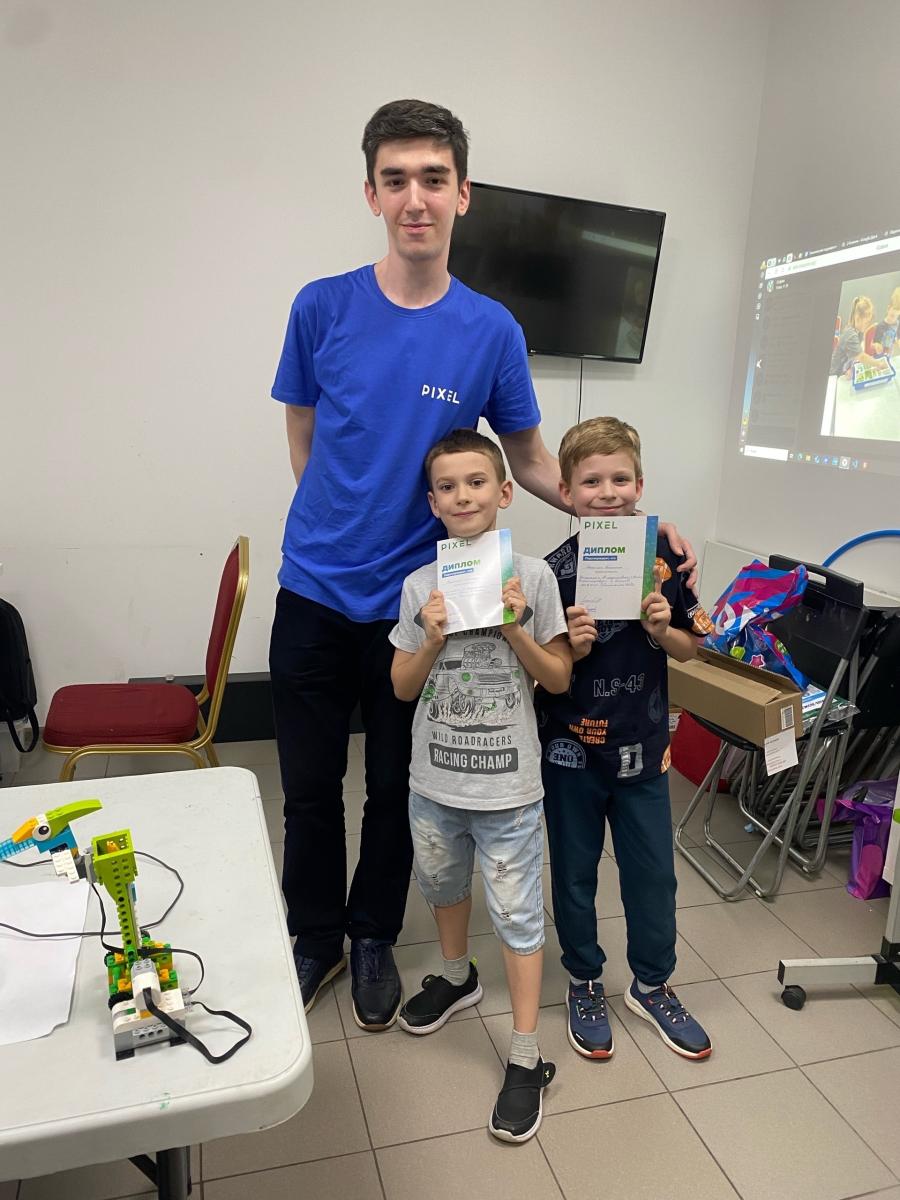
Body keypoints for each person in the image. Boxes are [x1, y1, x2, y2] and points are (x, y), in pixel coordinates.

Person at [269, 98, 697, 1031]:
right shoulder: (321, 307)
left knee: (394, 789)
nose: (414, 198)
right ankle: (315, 939)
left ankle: (373, 935)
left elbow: (532, 458)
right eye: (395, 180)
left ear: (462, 194)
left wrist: (628, 520)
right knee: (307, 791)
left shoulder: (490, 329)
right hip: (313, 595)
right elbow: (304, 436)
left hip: (420, 605)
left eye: (433, 178)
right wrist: (339, 524)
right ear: (372, 193)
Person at [389, 428, 571, 1142]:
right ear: (432, 503)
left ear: (504, 493)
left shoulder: (536, 577)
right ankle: (458, 974)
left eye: (475, 483)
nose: (462, 496)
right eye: (447, 487)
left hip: (509, 790)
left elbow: (558, 677)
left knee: (519, 916)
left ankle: (525, 1056)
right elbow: (402, 688)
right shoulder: (420, 586)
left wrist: (517, 627)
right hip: (434, 781)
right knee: (442, 885)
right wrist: (431, 636)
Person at [536, 417, 714, 1062]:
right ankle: (584, 978)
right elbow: (542, 671)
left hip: (645, 749)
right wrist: (572, 646)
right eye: (591, 481)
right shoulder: (550, 574)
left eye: (620, 479)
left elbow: (692, 651)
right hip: (571, 752)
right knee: (574, 874)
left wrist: (664, 630)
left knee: (653, 875)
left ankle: (652, 984)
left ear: (640, 485)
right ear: (565, 491)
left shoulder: (665, 564)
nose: (607, 492)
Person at [830, 295, 878, 376]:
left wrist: (848, 369)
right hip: (834, 375)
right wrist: (879, 363)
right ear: (857, 318)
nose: (868, 325)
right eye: (866, 322)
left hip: (844, 371)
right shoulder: (850, 334)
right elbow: (861, 357)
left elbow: (854, 354)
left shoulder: (859, 332)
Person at [871, 286, 900, 359]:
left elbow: (897, 338)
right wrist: (877, 345)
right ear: (888, 308)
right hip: (879, 356)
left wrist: (897, 342)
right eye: (892, 316)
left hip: (889, 354)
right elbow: (874, 343)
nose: (893, 320)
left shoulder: (897, 324)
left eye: (897, 316)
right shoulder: (880, 326)